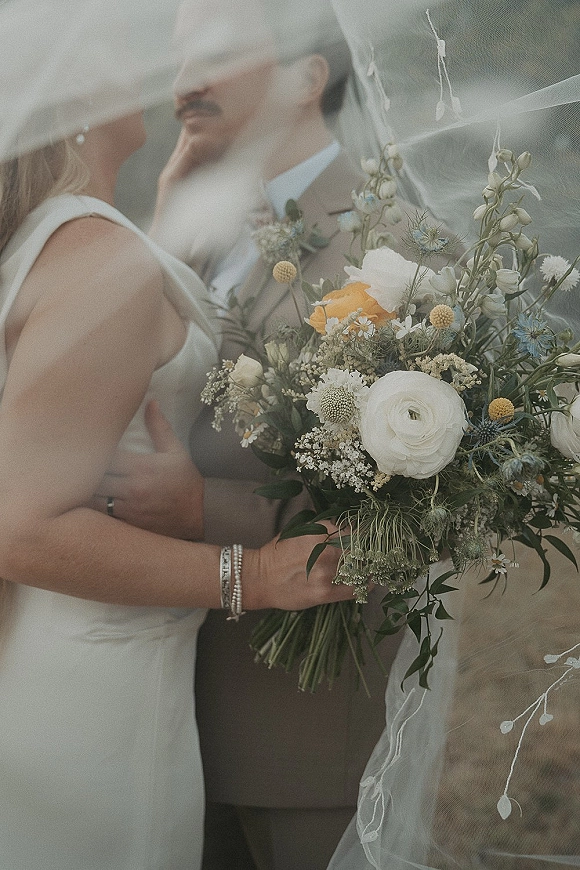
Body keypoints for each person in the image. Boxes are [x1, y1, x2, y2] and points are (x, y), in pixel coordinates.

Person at [92, 4, 417, 868]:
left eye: (217, 54)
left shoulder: (396, 250)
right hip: (157, 707)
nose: (183, 84)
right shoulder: (192, 231)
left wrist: (207, 507)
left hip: (299, 736)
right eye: (179, 58)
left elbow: (424, 509)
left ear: (308, 78)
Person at [0, 103, 355, 869]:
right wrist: (251, 574)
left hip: (74, 653)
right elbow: (21, 527)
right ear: (72, 103)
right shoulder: (95, 255)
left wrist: (162, 218)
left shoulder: (57, 241)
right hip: (96, 690)